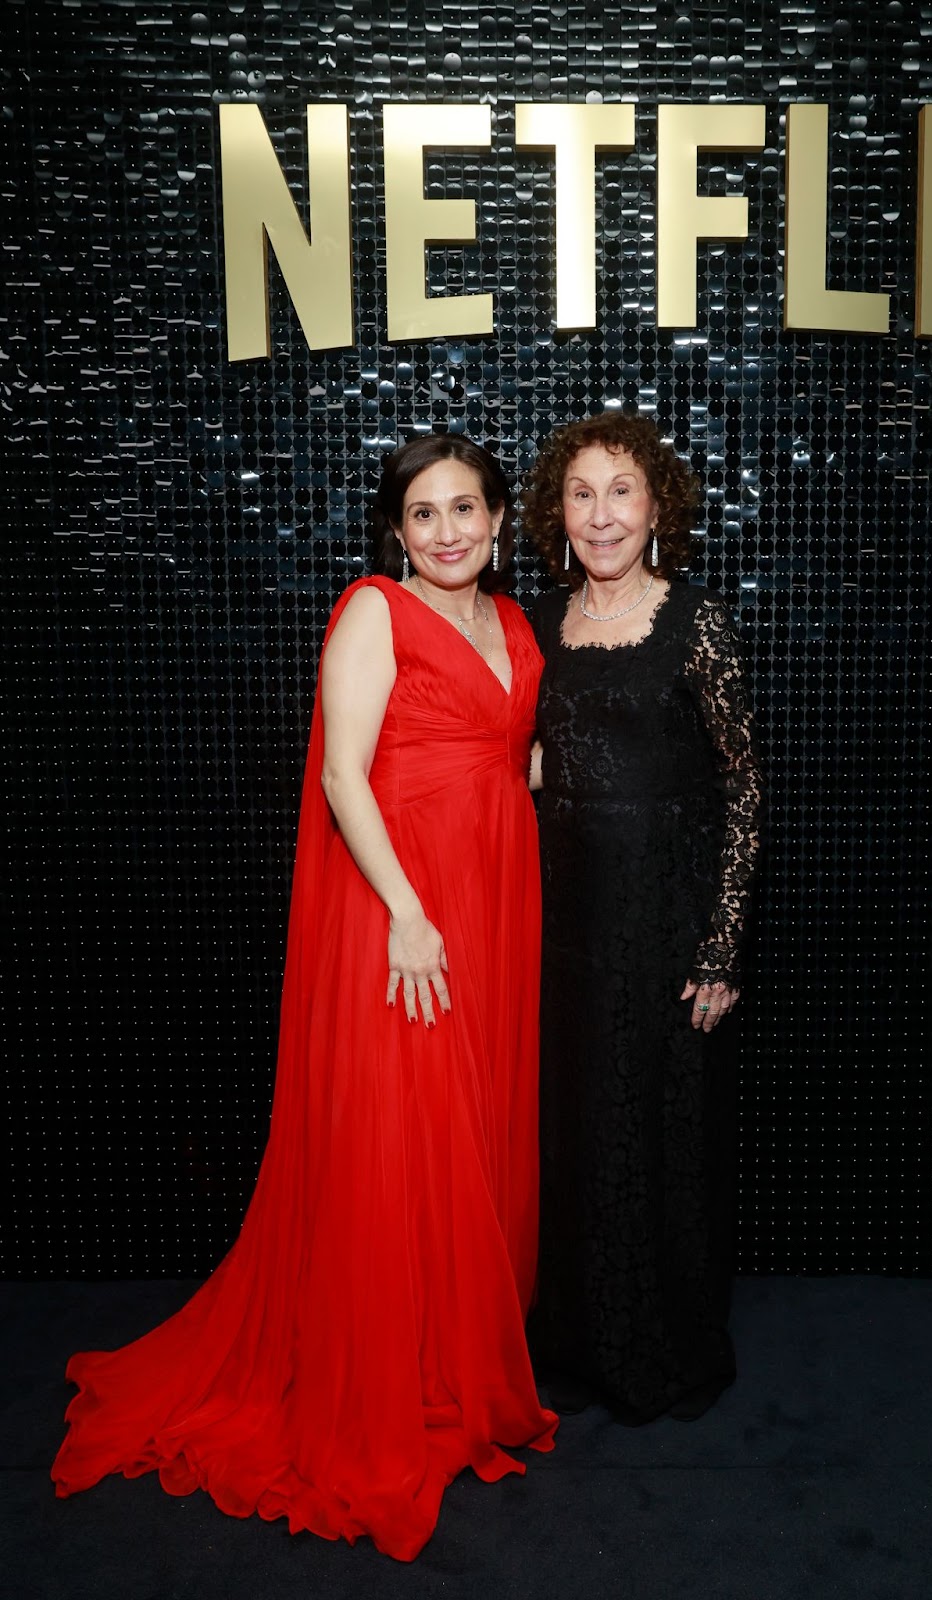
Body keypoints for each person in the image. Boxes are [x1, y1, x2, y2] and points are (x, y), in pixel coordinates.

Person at [52, 434, 557, 1559]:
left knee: (471, 1129)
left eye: (465, 508)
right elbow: (341, 772)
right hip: (410, 912)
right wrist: (407, 911)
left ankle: (451, 1361)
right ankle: (393, 1376)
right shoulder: (373, 609)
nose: (447, 532)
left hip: (498, 900)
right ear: (396, 529)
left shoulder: (516, 626)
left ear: (497, 519)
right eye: (423, 514)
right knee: (405, 1134)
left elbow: (514, 758)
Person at [522, 412, 762, 1425]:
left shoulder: (694, 619)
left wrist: (720, 943)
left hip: (665, 929)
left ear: (655, 504)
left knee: (660, 1137)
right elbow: (526, 764)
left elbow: (744, 783)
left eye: (620, 490)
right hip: (564, 932)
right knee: (577, 1132)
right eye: (581, 493)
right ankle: (578, 1345)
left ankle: (661, 1353)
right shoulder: (538, 625)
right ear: (555, 513)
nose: (601, 513)